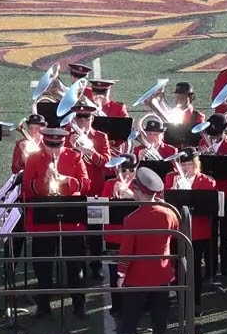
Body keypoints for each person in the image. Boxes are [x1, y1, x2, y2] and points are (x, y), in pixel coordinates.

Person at [20, 128, 91, 319]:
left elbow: (86, 184)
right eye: (50, 145)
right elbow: (26, 187)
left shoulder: (75, 157)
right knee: (43, 266)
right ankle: (43, 305)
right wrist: (44, 181)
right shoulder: (34, 158)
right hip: (43, 221)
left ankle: (79, 304)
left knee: (75, 266)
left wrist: (67, 180)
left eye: (58, 145)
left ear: (63, 144)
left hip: (71, 221)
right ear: (44, 143)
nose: (54, 150)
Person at [116, 168, 180, 334]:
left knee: (130, 321)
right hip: (162, 275)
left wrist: (121, 274)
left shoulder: (132, 219)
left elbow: (126, 251)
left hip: (137, 278)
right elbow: (175, 234)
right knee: (160, 320)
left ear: (139, 191)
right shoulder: (169, 213)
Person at [67, 100, 112, 282]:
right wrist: (73, 149)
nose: (83, 122)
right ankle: (78, 267)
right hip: (76, 194)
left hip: (95, 192)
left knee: (95, 233)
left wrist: (89, 151)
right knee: (76, 233)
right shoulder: (68, 137)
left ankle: (96, 266)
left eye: (87, 118)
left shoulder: (101, 137)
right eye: (80, 118)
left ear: (92, 118)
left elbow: (108, 163)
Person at [169, 147, 217, 308]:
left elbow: (209, 207)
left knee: (194, 269)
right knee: (178, 268)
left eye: (190, 164)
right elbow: (166, 203)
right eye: (183, 165)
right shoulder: (170, 179)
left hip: (198, 233)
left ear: (196, 164)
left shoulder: (207, 181)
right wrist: (175, 190)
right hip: (177, 232)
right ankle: (180, 301)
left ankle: (195, 303)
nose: (186, 168)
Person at [196, 114, 227, 275]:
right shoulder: (202, 142)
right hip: (210, 193)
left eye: (216, 134)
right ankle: (210, 268)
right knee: (211, 233)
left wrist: (222, 159)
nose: (212, 137)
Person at [101, 154, 139, 316]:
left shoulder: (139, 185)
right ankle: (116, 305)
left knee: (135, 271)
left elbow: (149, 205)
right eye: (123, 170)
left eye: (131, 170)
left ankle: (134, 305)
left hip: (135, 235)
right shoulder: (110, 184)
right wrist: (112, 197)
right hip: (114, 236)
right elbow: (101, 209)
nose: (127, 174)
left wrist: (131, 196)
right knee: (115, 272)